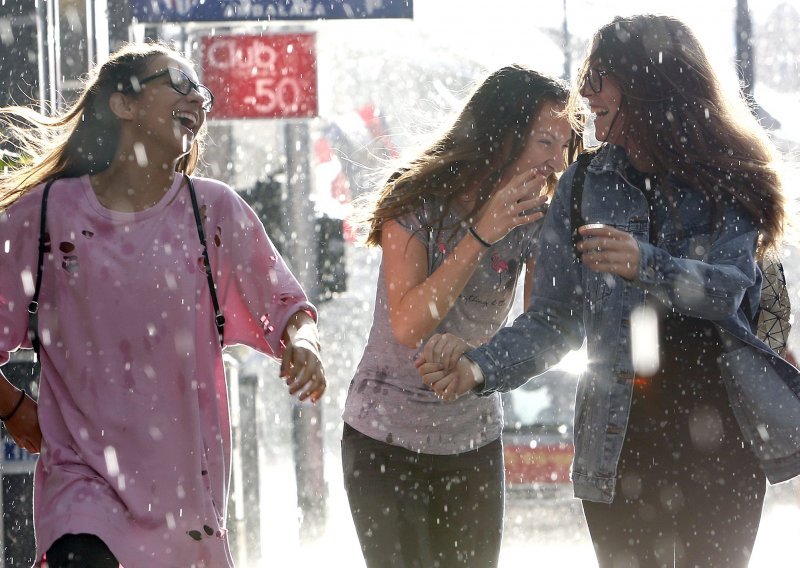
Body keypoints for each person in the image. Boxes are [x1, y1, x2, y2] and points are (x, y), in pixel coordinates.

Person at [419, 14, 800, 568]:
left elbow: (730, 291)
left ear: (647, 89)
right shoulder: (581, 187)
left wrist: (646, 264)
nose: (590, 112)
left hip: (722, 443)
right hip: (619, 445)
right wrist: (478, 369)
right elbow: (554, 321)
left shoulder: (727, 178)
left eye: (602, 94)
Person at [0, 42, 325, 567]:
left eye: (203, 91)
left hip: (183, 503)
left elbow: (288, 304)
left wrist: (304, 344)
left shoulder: (213, 212)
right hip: (79, 490)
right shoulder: (44, 217)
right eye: (180, 84)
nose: (199, 99)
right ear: (122, 104)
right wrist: (14, 408)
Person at [341, 65, 576, 567]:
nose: (558, 161)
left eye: (565, 145)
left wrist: (479, 360)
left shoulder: (541, 219)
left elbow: (543, 331)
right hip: (384, 438)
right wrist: (482, 234)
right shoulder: (418, 199)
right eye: (544, 143)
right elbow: (409, 324)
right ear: (503, 136)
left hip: (472, 440)